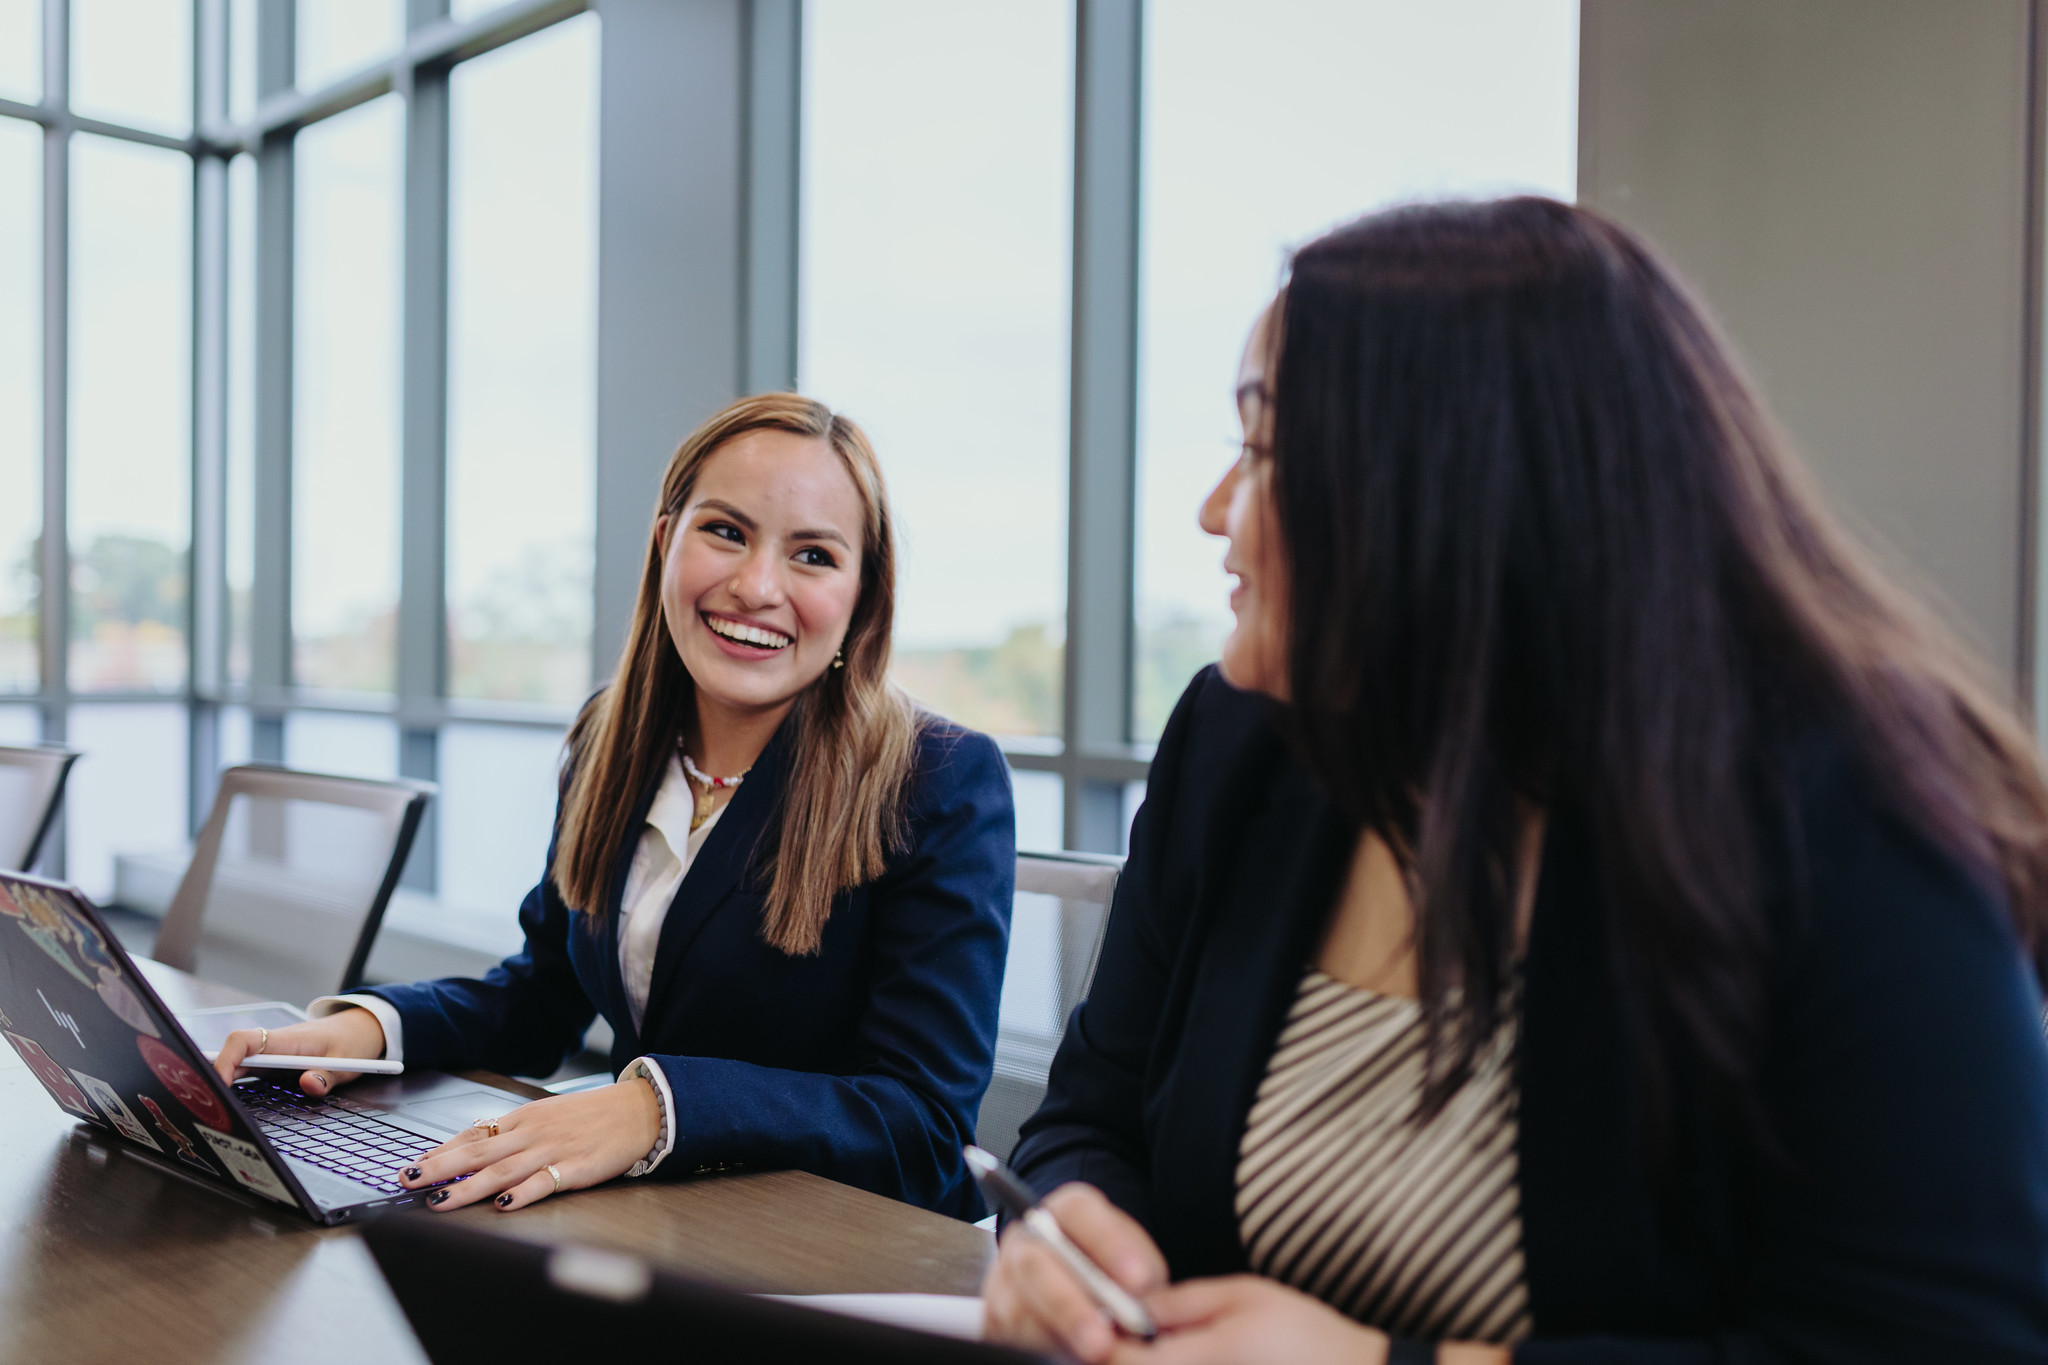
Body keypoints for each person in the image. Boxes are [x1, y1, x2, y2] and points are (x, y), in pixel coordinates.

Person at [981, 198, 2048, 1362]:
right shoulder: (1238, 746)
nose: (1212, 511)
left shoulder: (1845, 820)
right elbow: (1092, 1111)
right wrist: (1073, 1233)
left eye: (1264, 448)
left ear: (1449, 491)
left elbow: (1944, 1341)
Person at [211, 393, 1015, 1220]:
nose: (757, 585)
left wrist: (653, 1107)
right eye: (726, 531)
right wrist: (377, 1030)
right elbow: (543, 994)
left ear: (861, 594)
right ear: (667, 541)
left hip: (830, 1255)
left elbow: (922, 1127)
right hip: (652, 1227)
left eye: (813, 555)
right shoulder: (614, 738)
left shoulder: (939, 778)